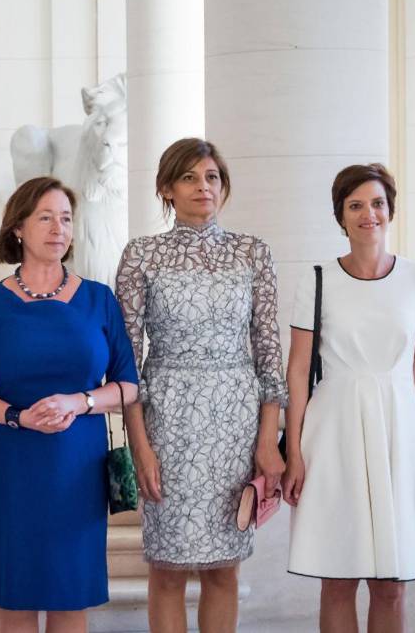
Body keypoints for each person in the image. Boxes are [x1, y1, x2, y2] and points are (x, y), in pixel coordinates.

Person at [114, 138, 288, 633]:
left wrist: (268, 439)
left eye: (211, 177)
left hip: (235, 419)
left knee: (223, 569)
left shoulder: (253, 252)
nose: (202, 187)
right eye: (189, 177)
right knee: (167, 570)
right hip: (167, 419)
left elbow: (269, 353)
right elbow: (127, 364)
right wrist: (140, 447)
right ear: (167, 188)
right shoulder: (141, 256)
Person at [0, 177, 138, 633]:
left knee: (69, 594)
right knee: (15, 598)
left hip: (78, 464)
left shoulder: (99, 298)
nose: (58, 228)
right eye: (45, 217)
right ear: (18, 227)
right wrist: (18, 416)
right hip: (12, 462)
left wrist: (80, 401)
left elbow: (128, 385)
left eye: (66, 218)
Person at [282, 164, 415, 632]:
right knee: (337, 579)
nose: (368, 214)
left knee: (391, 584)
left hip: (401, 430)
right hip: (333, 431)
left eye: (377, 203)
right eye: (355, 205)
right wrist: (294, 452)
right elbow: (297, 373)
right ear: (340, 215)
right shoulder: (316, 279)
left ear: (390, 210)